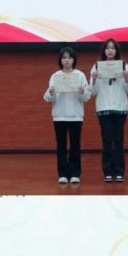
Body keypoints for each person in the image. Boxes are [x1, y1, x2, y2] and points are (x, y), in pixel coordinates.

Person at [89, 37, 128, 183]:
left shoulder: (124, 66)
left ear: (116, 51)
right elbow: (93, 92)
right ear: (104, 51)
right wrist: (94, 79)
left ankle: (120, 172)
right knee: (107, 141)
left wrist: (126, 78)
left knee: (119, 140)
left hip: (120, 107)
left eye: (112, 48)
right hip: (103, 108)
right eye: (107, 48)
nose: (110, 50)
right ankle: (108, 172)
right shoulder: (96, 66)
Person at [43, 45, 91, 184]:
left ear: (74, 59)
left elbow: (86, 97)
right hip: (59, 116)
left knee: (75, 146)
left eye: (69, 57)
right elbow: (47, 98)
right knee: (61, 146)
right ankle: (63, 174)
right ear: (60, 60)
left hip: (76, 116)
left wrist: (82, 92)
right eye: (64, 58)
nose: (67, 60)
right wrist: (51, 93)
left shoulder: (80, 75)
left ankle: (75, 174)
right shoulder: (55, 76)